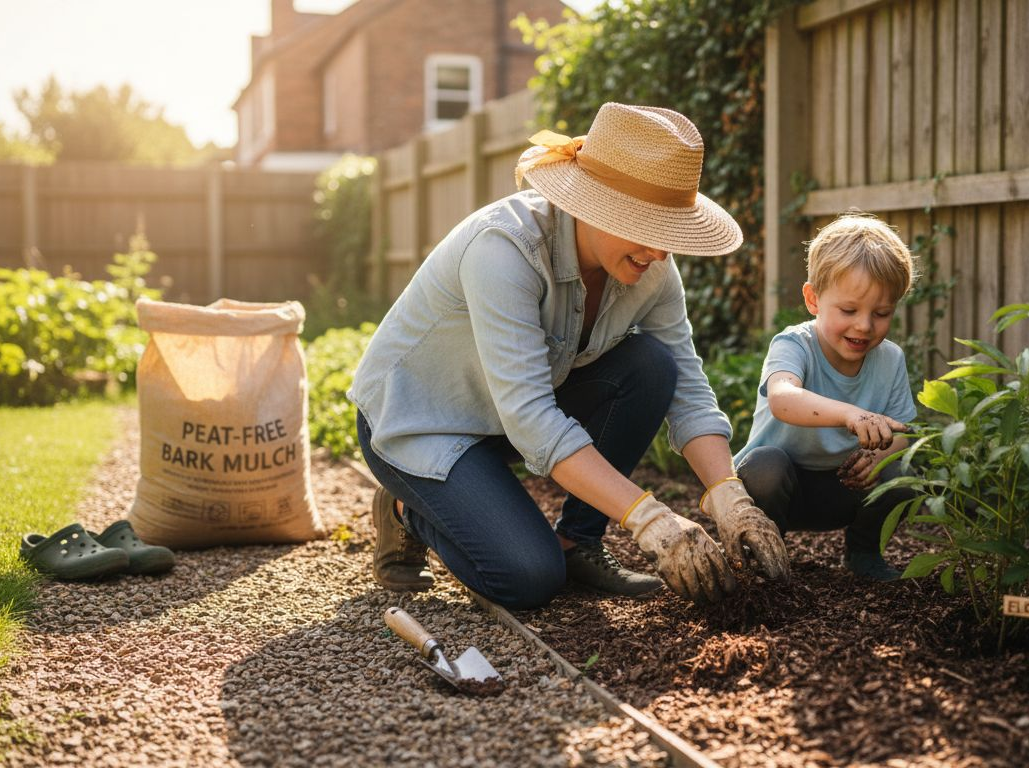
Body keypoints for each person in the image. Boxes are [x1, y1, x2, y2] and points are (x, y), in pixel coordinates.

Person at [348, 102, 790, 609]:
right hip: (417, 422)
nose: (662, 253)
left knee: (651, 368)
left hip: (500, 419)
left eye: (671, 233)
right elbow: (532, 415)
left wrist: (729, 497)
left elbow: (687, 386)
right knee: (528, 578)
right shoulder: (504, 250)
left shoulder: (652, 271)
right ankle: (409, 507)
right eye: (649, 228)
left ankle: (577, 540)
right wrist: (652, 520)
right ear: (596, 206)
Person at [733, 213, 917, 581]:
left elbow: (905, 431)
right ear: (813, 299)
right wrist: (850, 415)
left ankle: (864, 552)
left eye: (881, 313)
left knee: (906, 473)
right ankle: (765, 556)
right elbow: (783, 398)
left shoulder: (890, 358)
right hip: (780, 489)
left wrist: (879, 456)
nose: (864, 325)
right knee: (765, 466)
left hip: (846, 487)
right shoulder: (793, 344)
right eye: (849, 310)